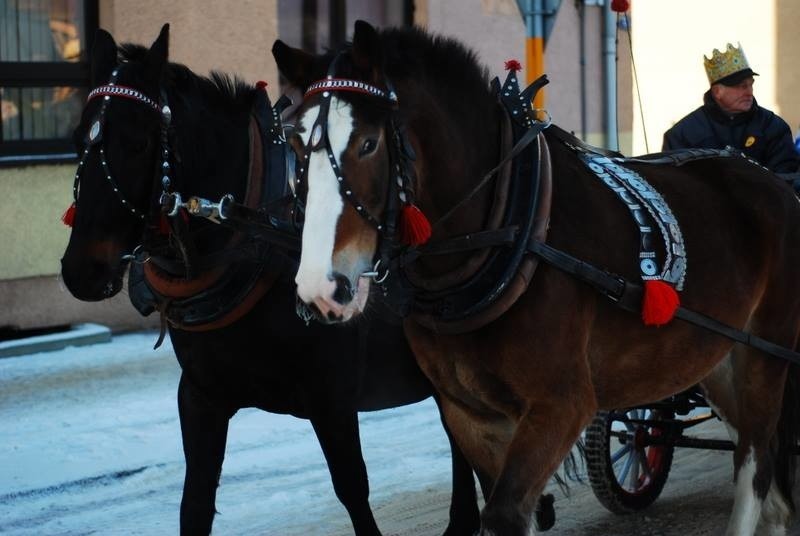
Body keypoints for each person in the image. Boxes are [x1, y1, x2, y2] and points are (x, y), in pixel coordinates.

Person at [662, 42, 800, 188]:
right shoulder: (682, 134)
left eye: (750, 84)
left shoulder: (773, 126)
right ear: (717, 92)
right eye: (741, 86)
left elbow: (786, 181)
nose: (749, 92)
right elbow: (674, 187)